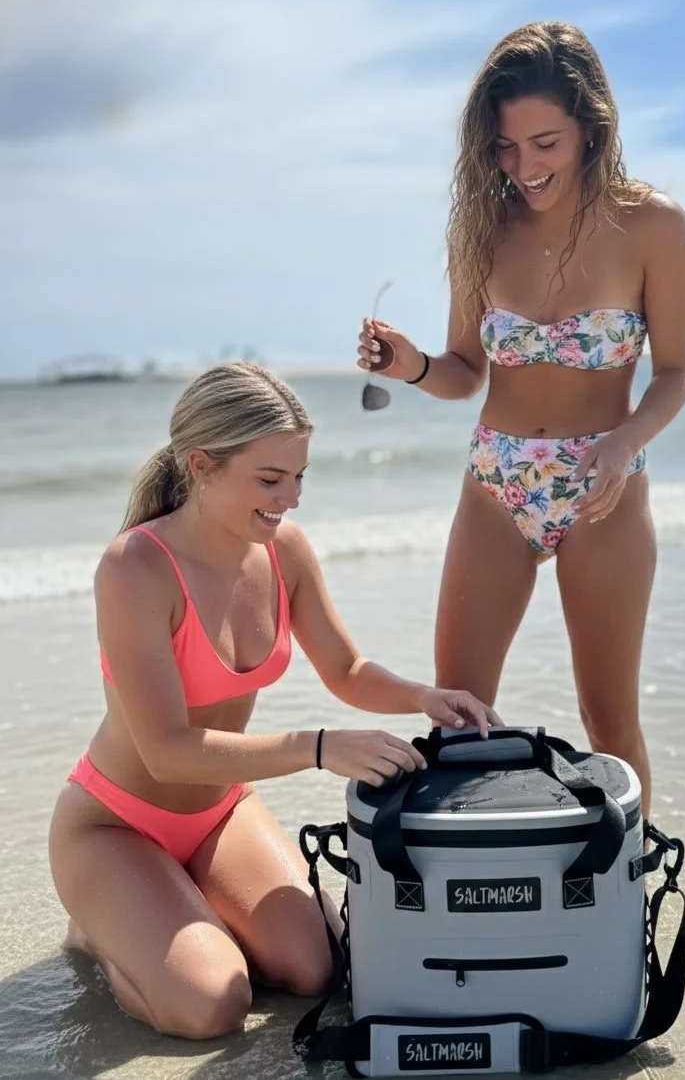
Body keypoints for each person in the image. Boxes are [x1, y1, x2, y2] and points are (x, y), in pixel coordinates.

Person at [48, 362, 500, 1040]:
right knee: (213, 1004)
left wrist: (426, 696)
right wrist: (318, 748)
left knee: (318, 968)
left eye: (298, 477)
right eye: (269, 479)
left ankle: (180, 908)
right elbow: (167, 752)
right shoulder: (134, 566)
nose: (290, 498)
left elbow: (347, 670)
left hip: (218, 812)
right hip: (114, 825)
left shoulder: (283, 550)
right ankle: (104, 931)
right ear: (201, 464)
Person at [357, 20, 685, 821]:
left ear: (591, 126)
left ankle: (628, 883)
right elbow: (465, 371)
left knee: (609, 722)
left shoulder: (654, 226)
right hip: (497, 483)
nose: (524, 166)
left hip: (604, 487)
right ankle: (471, 883)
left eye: (545, 142)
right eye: (506, 147)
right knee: (460, 715)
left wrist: (625, 442)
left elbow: (675, 374)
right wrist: (410, 365)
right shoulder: (485, 229)